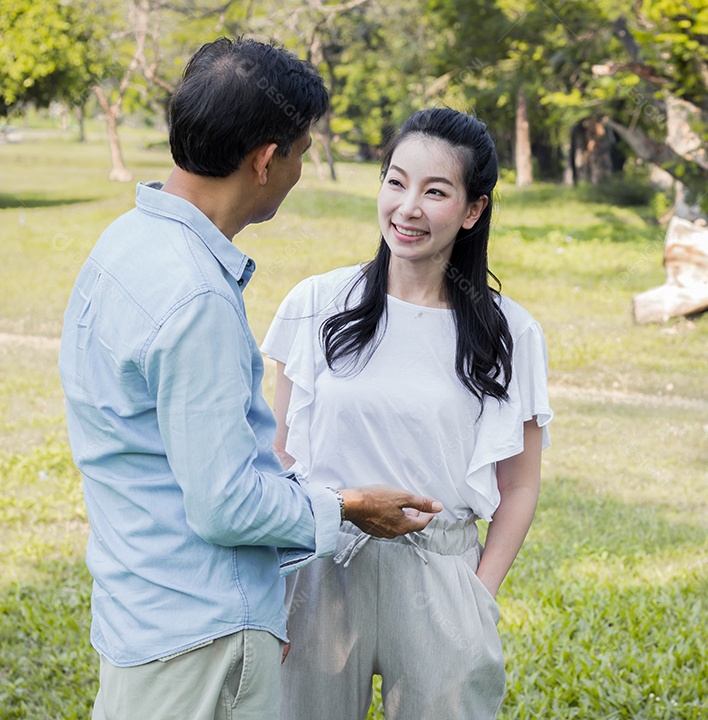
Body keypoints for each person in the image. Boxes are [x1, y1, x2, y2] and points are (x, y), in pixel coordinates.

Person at [58, 37, 441, 720]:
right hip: (198, 638)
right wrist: (350, 506)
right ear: (266, 159)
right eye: (299, 152)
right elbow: (225, 505)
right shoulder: (195, 298)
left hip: (139, 613)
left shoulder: (123, 244)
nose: (297, 170)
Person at [262, 107, 552, 719]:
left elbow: (519, 484)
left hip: (441, 570)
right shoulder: (315, 304)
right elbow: (279, 454)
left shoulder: (511, 334)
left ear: (473, 210)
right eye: (396, 181)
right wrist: (275, 586)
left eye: (436, 191)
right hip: (320, 565)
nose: (408, 207)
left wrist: (479, 595)